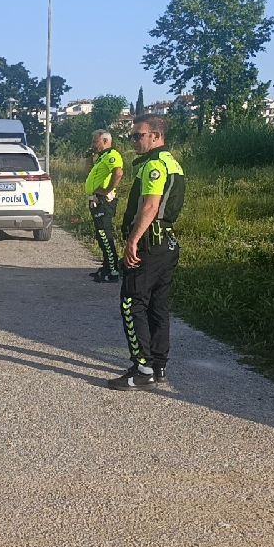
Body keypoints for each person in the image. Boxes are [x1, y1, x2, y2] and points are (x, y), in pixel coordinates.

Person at [108, 114, 186, 391]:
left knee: (132, 303)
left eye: (138, 135)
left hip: (149, 246)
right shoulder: (172, 162)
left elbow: (150, 207)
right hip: (167, 245)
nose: (133, 141)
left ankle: (142, 368)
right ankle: (159, 365)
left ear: (155, 135)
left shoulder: (154, 165)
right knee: (158, 306)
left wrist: (132, 241)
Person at [84, 130, 125, 282]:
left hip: (104, 201)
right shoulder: (102, 157)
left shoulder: (112, 155)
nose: (94, 144)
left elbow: (118, 173)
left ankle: (113, 271)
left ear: (106, 141)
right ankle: (107, 266)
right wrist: (88, 157)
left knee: (105, 235)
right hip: (96, 200)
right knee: (100, 235)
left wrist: (106, 190)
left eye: (96, 141)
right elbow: (89, 173)